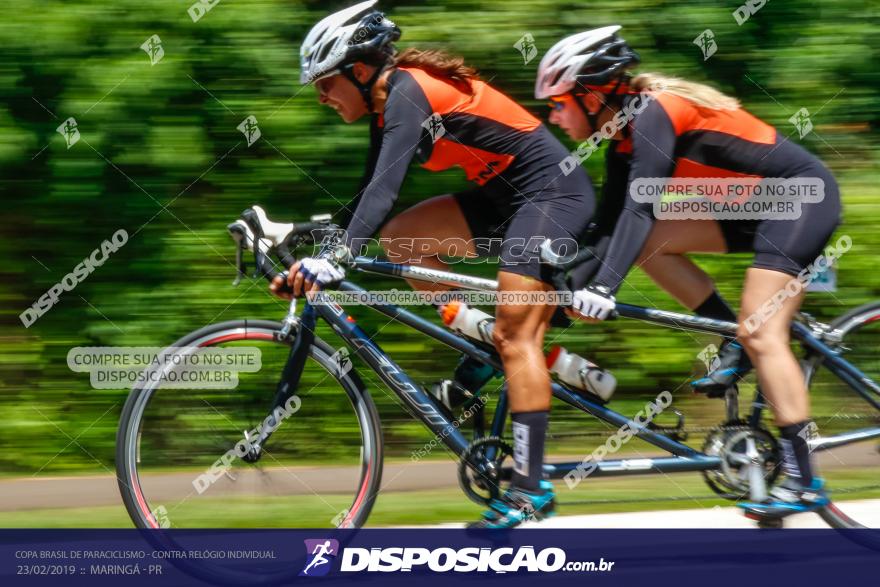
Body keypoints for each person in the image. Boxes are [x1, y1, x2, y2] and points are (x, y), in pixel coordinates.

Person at [272, 0, 601, 528]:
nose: (321, 97)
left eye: (325, 83)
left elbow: (384, 190)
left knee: (520, 337)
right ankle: (481, 337)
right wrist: (306, 238)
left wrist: (337, 258)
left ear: (358, 71)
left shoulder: (409, 89)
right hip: (501, 200)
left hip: (551, 195)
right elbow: (365, 200)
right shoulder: (387, 104)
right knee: (402, 241)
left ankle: (530, 488)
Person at [538, 26, 842, 517]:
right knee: (652, 242)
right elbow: (612, 228)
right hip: (752, 203)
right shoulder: (622, 139)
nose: (553, 116)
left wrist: (603, 287)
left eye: (558, 103)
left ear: (592, 96)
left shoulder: (654, 112)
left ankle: (806, 480)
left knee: (763, 331)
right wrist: (562, 292)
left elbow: (640, 207)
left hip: (799, 197)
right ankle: (733, 341)